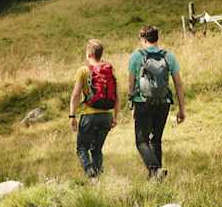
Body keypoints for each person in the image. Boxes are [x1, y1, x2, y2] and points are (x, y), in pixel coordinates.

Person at [126, 25, 186, 181]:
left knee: (141, 141)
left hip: (143, 103)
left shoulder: (136, 57)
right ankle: (156, 178)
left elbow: (131, 83)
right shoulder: (169, 57)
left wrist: (131, 104)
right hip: (164, 103)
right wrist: (181, 109)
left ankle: (155, 169)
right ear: (157, 38)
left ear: (143, 39)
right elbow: (178, 84)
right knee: (156, 140)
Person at [70, 39, 119, 178]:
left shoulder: (83, 70)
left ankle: (91, 174)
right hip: (106, 116)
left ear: (89, 54)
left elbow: (75, 95)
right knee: (97, 149)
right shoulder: (109, 70)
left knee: (82, 148)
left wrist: (72, 116)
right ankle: (98, 178)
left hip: (89, 116)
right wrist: (115, 117)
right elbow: (117, 96)